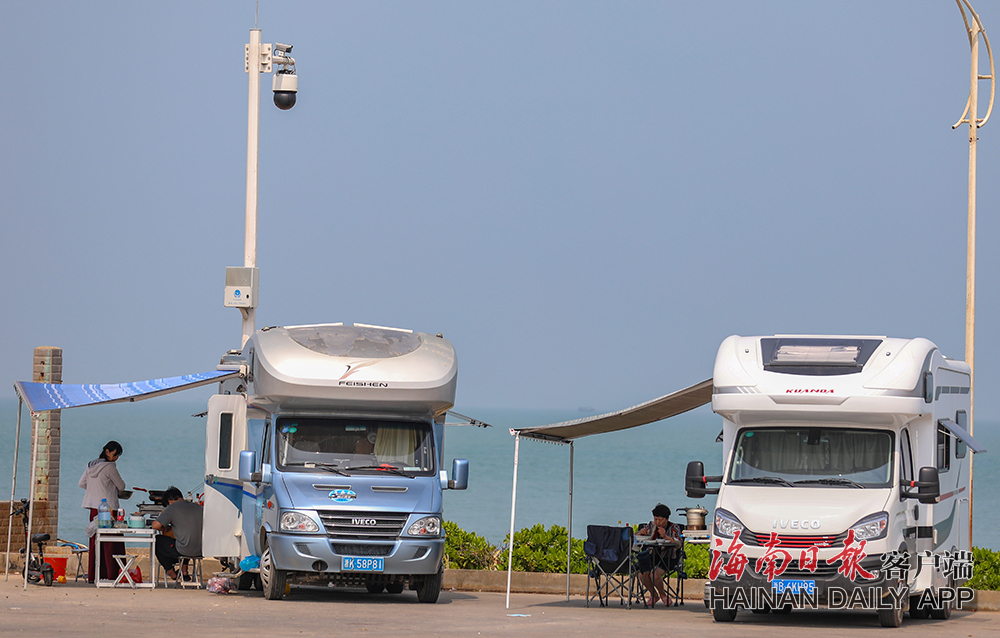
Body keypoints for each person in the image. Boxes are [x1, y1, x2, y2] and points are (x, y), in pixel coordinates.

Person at [78, 440, 126, 583]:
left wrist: (95, 489)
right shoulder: (110, 467)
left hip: (94, 508)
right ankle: (112, 574)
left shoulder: (90, 465)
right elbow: (121, 486)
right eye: (115, 454)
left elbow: (81, 483)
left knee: (95, 540)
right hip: (109, 509)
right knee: (112, 542)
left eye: (118, 456)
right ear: (107, 452)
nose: (116, 458)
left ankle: (94, 575)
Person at [152, 486, 204, 581]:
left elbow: (155, 526)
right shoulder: (198, 507)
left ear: (170, 502)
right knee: (186, 538)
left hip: (184, 550)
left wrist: (164, 527)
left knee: (157, 540)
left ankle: (171, 572)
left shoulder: (172, 508)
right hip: (201, 550)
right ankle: (184, 570)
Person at [636, 503, 682, 607]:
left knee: (654, 574)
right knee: (642, 574)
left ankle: (663, 595)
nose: (658, 522)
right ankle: (653, 594)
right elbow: (637, 536)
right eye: (656, 519)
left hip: (668, 557)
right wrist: (641, 533)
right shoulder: (652, 526)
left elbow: (679, 543)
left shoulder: (674, 528)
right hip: (653, 556)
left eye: (660, 520)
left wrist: (666, 536)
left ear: (667, 519)